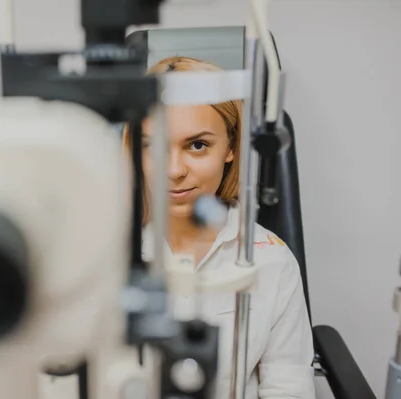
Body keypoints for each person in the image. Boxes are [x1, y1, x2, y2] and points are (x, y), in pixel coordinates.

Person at [122, 56, 316, 399]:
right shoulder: (106, 255)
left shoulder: (272, 262)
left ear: (231, 146)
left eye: (197, 145)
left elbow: (288, 388)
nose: (174, 170)